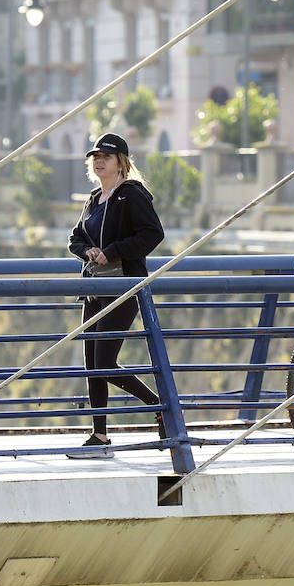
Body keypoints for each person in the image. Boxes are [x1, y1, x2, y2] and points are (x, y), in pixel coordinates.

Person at [66, 133, 166, 457]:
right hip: (95, 288)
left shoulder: (131, 195)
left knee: (105, 363)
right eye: (95, 156)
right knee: (91, 365)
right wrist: (89, 251)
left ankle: (158, 405)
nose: (98, 161)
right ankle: (99, 435)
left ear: (120, 161)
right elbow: (74, 238)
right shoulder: (95, 198)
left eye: (105, 157)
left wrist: (113, 252)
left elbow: (153, 234)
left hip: (123, 287)